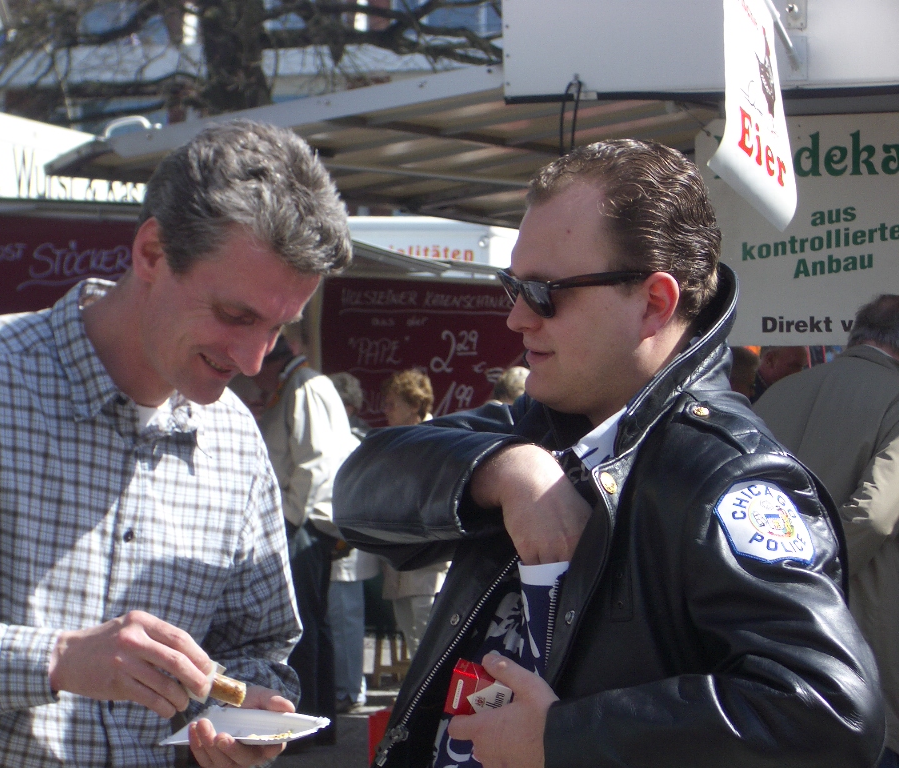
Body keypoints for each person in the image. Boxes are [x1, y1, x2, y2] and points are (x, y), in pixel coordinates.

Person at [334, 139, 885, 768]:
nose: (517, 318)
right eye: (512, 286)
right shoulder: (540, 427)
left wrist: (563, 737)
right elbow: (359, 489)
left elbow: (831, 713)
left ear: (654, 304)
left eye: (544, 292)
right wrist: (504, 472)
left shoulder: (723, 476)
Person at [0, 120, 352, 768]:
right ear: (151, 253)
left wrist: (247, 717)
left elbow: (258, 651)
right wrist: (55, 661)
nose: (252, 358)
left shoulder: (236, 441)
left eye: (278, 329)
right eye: (235, 315)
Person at [754, 294, 899, 768]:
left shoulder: (779, 393)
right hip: (857, 641)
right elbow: (874, 516)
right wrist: (812, 577)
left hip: (760, 636)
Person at [250, 337, 360, 745]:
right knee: (314, 624)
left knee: (303, 627)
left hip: (303, 523)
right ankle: (318, 723)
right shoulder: (299, 385)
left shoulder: (305, 385)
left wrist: (291, 521)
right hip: (304, 522)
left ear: (270, 362)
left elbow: (314, 463)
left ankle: (307, 725)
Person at [378, 369, 449, 655]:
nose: (385, 411)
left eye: (392, 404)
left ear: (415, 406)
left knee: (429, 650)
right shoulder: (395, 442)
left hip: (427, 566)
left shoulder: (437, 440)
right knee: (413, 648)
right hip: (400, 565)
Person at [326, 371, 379, 713]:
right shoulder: (341, 438)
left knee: (346, 623)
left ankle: (350, 689)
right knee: (338, 623)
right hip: (337, 545)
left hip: (346, 546)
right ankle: (345, 686)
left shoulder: (353, 441)